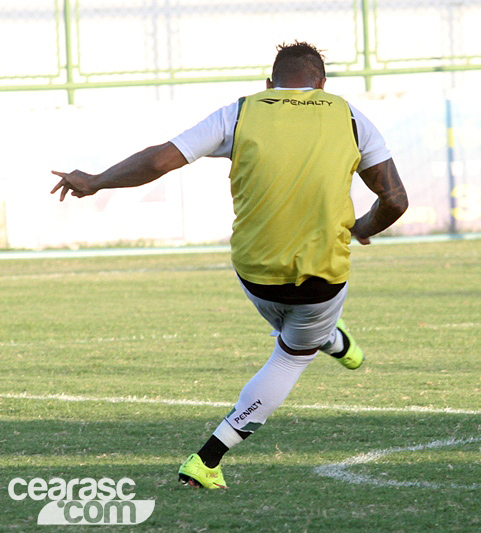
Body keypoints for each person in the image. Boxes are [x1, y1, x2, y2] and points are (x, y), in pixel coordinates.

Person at [51, 41, 408, 490]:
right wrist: (360, 228)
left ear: (269, 83)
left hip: (255, 275)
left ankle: (330, 340)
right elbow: (395, 200)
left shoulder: (240, 114)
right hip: (321, 280)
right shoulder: (350, 117)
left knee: (301, 328)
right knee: (291, 355)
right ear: (321, 85)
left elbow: (159, 160)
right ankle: (207, 459)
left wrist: (96, 181)